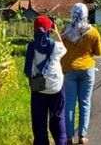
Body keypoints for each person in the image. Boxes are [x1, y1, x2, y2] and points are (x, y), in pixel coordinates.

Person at [61, 3, 101, 145]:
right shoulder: (92, 32)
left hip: (69, 70)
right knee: (85, 102)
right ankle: (83, 136)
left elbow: (60, 49)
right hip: (87, 70)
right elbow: (98, 52)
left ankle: (68, 137)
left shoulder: (66, 32)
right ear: (86, 15)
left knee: (70, 104)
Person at [25, 15, 68, 145]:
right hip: (56, 88)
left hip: (38, 89)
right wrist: (56, 32)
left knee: (39, 123)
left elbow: (28, 68)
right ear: (49, 30)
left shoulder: (30, 47)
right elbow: (64, 48)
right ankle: (60, 142)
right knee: (58, 119)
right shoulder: (55, 46)